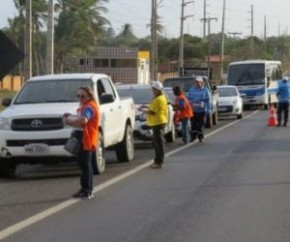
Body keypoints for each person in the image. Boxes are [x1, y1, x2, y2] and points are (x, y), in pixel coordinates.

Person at [63, 86, 100, 199]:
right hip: (83, 137)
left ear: (89, 96)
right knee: (83, 165)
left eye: (83, 96)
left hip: (86, 138)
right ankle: (84, 189)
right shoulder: (84, 106)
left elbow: (84, 120)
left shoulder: (89, 106)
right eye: (78, 96)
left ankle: (87, 190)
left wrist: (69, 122)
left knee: (86, 165)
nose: (80, 98)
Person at [141, 81, 168, 169]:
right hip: (159, 121)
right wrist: (146, 107)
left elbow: (153, 111)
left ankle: (159, 162)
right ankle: (157, 161)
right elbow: (153, 108)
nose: (152, 90)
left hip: (158, 122)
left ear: (157, 90)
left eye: (153, 89)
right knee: (157, 143)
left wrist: (143, 110)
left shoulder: (158, 99)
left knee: (158, 143)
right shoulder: (160, 97)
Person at [187, 76, 211, 143]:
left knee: (200, 124)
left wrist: (208, 109)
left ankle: (200, 137)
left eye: (198, 82)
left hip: (202, 111)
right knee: (193, 124)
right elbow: (188, 98)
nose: (197, 83)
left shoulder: (205, 90)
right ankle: (193, 137)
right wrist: (189, 103)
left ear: (201, 82)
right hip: (193, 110)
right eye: (196, 82)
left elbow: (208, 100)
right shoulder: (192, 89)